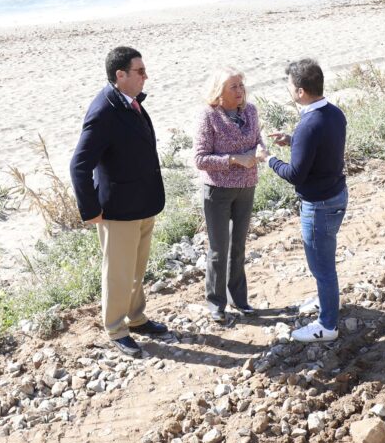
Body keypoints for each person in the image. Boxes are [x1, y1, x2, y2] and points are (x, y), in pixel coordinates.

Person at [70, 46, 169, 358]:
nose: (145, 76)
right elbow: (79, 165)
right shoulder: (103, 111)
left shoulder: (130, 102)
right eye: (140, 71)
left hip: (142, 201)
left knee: (137, 268)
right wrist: (90, 210)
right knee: (118, 272)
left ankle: (136, 317)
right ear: (120, 75)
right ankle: (115, 328)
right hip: (118, 209)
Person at [260, 59, 347, 343]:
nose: (288, 90)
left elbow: (295, 174)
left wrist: (268, 159)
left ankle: (327, 325)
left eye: (289, 86)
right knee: (325, 262)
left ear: (300, 92)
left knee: (322, 267)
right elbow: (321, 149)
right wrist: (293, 140)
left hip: (319, 205)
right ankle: (326, 303)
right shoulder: (334, 114)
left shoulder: (309, 124)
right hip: (335, 195)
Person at [193, 68, 264, 323]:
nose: (240, 90)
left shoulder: (250, 111)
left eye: (241, 85)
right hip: (218, 190)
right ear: (218, 92)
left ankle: (240, 299)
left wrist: (259, 153)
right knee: (218, 249)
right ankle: (216, 303)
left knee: (239, 246)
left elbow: (258, 141)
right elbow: (200, 159)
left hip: (247, 187)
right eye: (233, 86)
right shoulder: (208, 116)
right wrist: (233, 159)